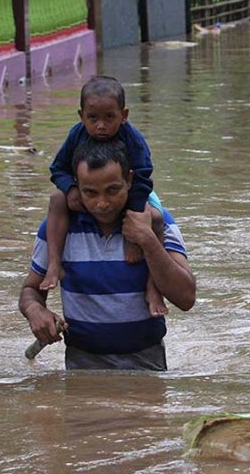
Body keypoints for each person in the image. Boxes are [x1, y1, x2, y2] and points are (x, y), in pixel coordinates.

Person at [19, 138, 196, 370]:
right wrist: (35, 311)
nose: (102, 203)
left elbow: (186, 298)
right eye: (90, 193)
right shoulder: (57, 230)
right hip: (80, 363)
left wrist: (147, 240)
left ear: (130, 181)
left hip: (147, 362)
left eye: (113, 190)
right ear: (75, 187)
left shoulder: (156, 222)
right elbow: (31, 290)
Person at [42, 75, 168, 317]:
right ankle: (54, 263)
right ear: (81, 116)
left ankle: (153, 288)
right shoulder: (76, 134)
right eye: (93, 118)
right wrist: (70, 188)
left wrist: (133, 226)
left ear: (124, 115)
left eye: (109, 118)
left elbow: (143, 177)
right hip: (87, 192)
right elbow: (57, 168)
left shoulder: (133, 139)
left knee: (155, 219)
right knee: (56, 199)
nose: (101, 126)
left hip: (134, 192)